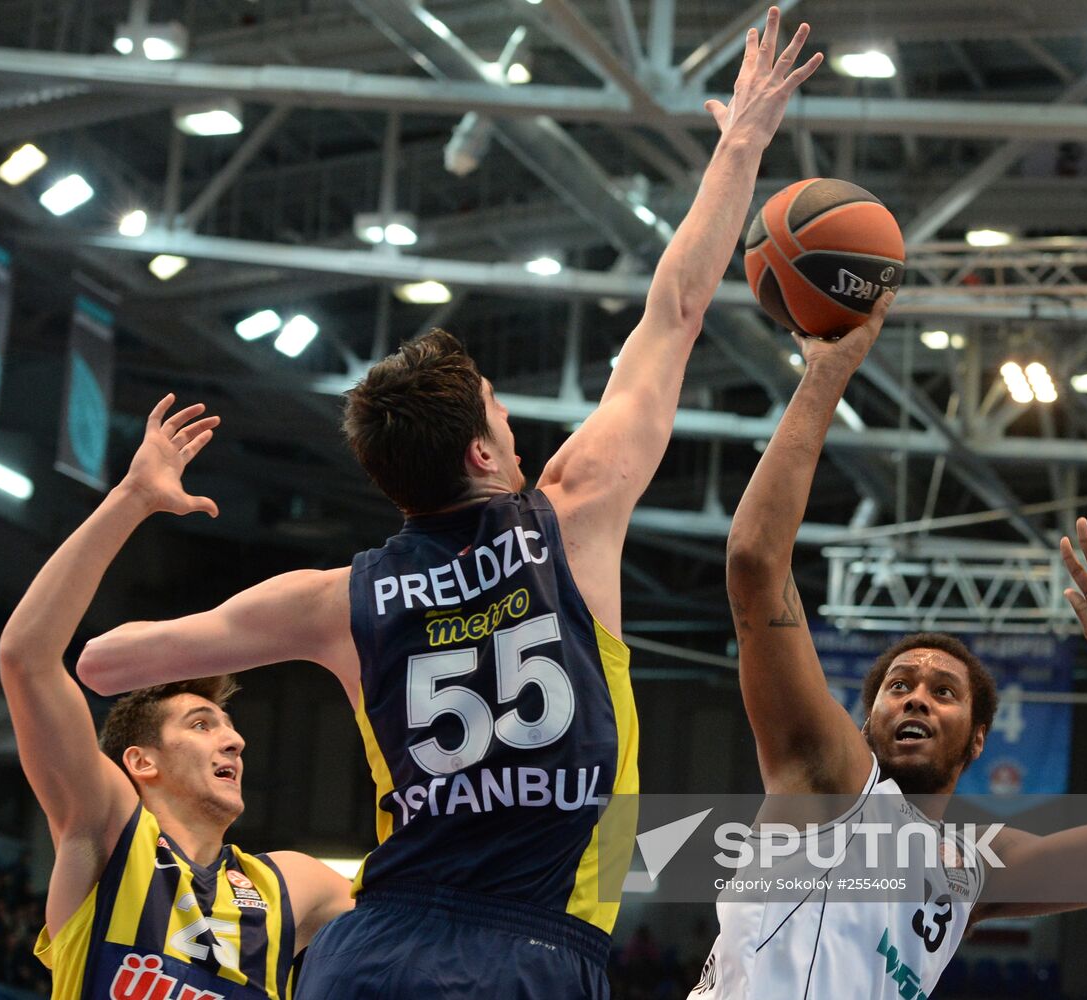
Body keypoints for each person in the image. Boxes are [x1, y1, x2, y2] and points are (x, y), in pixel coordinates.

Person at [74, 9, 822, 998]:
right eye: (500, 414)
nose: (513, 423)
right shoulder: (575, 511)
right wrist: (741, 143)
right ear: (480, 447)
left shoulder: (335, 598)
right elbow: (675, 309)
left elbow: (103, 660)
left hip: (371, 949)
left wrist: (136, 501)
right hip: (527, 948)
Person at [691, 300, 1087, 999]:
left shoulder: (974, 869)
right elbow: (754, 563)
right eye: (899, 686)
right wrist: (829, 372)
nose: (918, 697)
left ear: (978, 739)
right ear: (864, 721)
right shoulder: (830, 777)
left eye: (943, 691)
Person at [0, 396, 352, 1000]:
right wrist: (132, 498)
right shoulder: (107, 833)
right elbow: (26, 660)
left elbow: (423, 903)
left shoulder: (289, 884)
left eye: (228, 725)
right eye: (202, 724)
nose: (235, 739)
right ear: (141, 761)